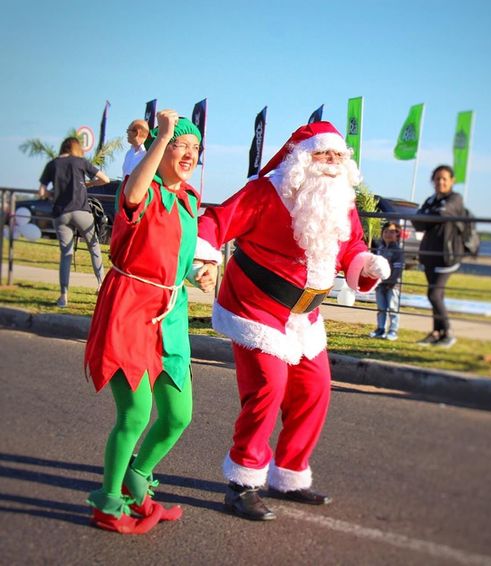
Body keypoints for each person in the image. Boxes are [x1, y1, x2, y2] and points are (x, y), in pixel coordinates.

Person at [195, 121, 390, 521]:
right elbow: (215, 222)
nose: (332, 163)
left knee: (315, 389)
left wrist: (365, 263)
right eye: (323, 154)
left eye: (338, 156)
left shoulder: (340, 200)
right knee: (269, 385)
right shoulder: (266, 192)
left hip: (305, 317)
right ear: (302, 158)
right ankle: (243, 482)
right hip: (255, 307)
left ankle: (289, 475)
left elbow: (350, 245)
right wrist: (203, 258)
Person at [83, 110, 218, 534]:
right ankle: (109, 501)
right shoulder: (142, 189)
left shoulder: (190, 200)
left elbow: (175, 255)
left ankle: (138, 479)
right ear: (162, 148)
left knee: (179, 414)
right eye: (182, 145)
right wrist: (161, 135)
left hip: (170, 314)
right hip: (129, 308)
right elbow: (135, 193)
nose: (189, 154)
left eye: (195, 148)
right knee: (136, 414)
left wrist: (197, 273)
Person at [38, 137, 110, 307]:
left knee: (66, 254)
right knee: (94, 247)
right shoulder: (81, 162)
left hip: (61, 213)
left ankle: (63, 296)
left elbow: (41, 191)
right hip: (81, 211)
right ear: (77, 148)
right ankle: (101, 285)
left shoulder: (52, 164)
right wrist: (88, 184)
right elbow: (105, 179)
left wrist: (53, 194)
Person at [412, 165, 465, 348]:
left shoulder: (455, 199)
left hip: (447, 256)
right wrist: (429, 215)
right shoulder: (430, 200)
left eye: (444, 179)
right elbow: (417, 222)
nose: (440, 182)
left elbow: (444, 213)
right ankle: (437, 333)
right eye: (437, 179)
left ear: (452, 181)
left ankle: (448, 333)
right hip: (429, 255)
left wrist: (428, 215)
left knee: (434, 294)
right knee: (437, 295)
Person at [369, 221, 403, 341]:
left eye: (392, 232)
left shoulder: (397, 251)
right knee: (381, 308)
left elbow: (398, 269)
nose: (388, 234)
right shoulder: (379, 248)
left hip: (392, 286)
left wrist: (391, 283)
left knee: (393, 308)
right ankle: (380, 329)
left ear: (397, 235)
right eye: (386, 231)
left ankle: (393, 330)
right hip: (379, 284)